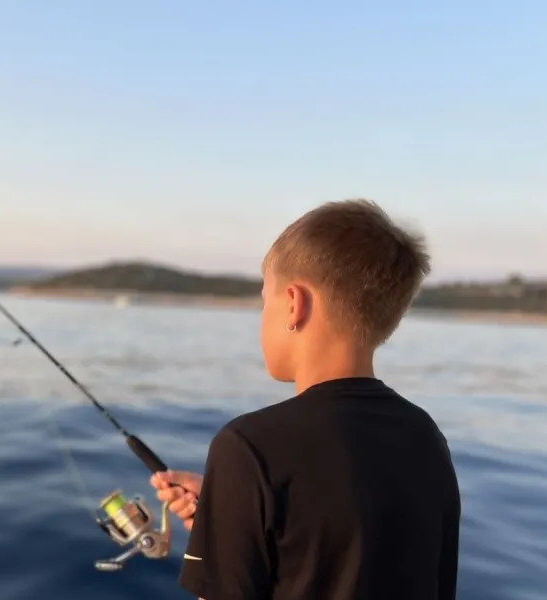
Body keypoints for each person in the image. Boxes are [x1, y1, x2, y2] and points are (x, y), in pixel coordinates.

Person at [151, 199, 461, 600]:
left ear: (294, 304)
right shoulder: (426, 438)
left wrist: (239, 501)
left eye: (265, 300)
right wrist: (230, 513)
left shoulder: (248, 447)